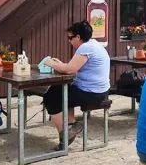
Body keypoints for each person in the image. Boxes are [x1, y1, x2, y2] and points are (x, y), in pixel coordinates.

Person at [44, 21, 111, 150]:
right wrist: (61, 64)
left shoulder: (85, 48)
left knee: (50, 98)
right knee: (61, 90)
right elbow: (72, 66)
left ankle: (65, 134)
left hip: (92, 93)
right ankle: (71, 127)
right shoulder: (94, 45)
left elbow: (70, 70)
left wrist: (51, 64)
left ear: (78, 37)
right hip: (99, 90)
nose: (70, 42)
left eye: (70, 38)